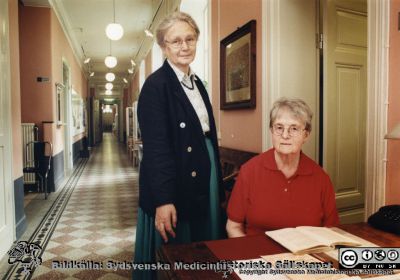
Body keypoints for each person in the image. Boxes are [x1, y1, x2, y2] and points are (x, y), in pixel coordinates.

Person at [133, 11, 224, 277]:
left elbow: (208, 138)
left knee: (203, 246)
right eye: (175, 41)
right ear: (163, 47)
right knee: (177, 251)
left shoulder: (198, 84)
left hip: (202, 171)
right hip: (174, 178)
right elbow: (156, 150)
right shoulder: (155, 86)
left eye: (190, 39)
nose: (184, 46)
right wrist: (163, 200)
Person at [226, 97, 339, 237]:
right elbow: (233, 226)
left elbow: (331, 231)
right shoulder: (249, 171)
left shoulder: (321, 178)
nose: (285, 135)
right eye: (279, 127)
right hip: (257, 255)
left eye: (294, 128)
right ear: (271, 131)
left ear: (306, 135)